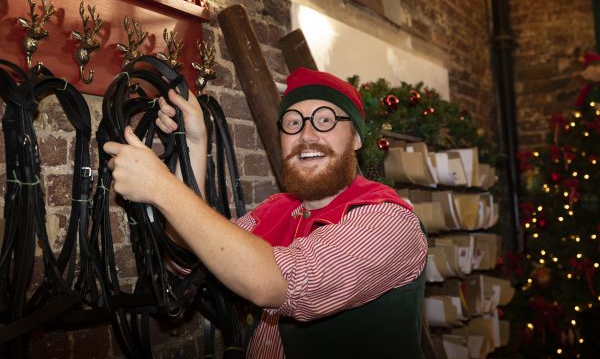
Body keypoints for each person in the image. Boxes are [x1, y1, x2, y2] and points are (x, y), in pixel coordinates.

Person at [104, 67, 428, 358]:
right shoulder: (276, 210)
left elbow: (285, 284)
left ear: (356, 138)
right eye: (292, 123)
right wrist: (195, 144)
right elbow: (191, 257)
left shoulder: (388, 220)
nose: (306, 134)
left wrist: (162, 189)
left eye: (326, 119)